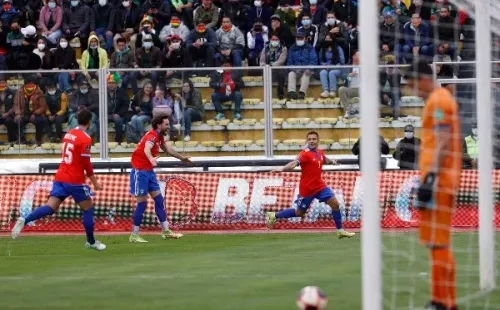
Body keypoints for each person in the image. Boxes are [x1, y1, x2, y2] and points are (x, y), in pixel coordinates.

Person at [406, 60, 462, 310]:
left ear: (423, 79)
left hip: (439, 181)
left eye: (413, 84)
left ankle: (441, 302)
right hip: (440, 179)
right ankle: (445, 300)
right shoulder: (439, 99)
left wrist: (430, 179)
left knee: (438, 242)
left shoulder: (439, 100)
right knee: (437, 242)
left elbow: (442, 141)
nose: (412, 91)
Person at [11, 109, 106, 251]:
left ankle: (25, 219)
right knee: (88, 209)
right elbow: (86, 163)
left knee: (50, 207)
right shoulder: (86, 139)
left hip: (61, 176)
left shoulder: (68, 134)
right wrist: (95, 182)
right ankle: (91, 242)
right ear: (89, 122)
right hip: (75, 180)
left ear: (77, 120)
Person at [266, 131, 355, 239]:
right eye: (309, 139)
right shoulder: (304, 154)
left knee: (335, 204)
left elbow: (324, 159)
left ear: (318, 141)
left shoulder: (320, 152)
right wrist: (281, 169)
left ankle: (340, 230)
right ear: (307, 141)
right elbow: (293, 164)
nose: (312, 141)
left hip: (320, 186)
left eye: (314, 139)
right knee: (299, 213)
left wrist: (333, 161)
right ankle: (274, 215)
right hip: (307, 189)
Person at [129, 114, 192, 243]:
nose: (168, 126)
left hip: (149, 172)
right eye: (166, 124)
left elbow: (167, 149)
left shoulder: (159, 137)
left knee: (159, 200)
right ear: (159, 125)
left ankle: (166, 231)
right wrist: (151, 158)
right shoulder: (152, 135)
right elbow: (147, 148)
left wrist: (182, 158)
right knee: (142, 203)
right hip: (139, 172)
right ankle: (134, 235)